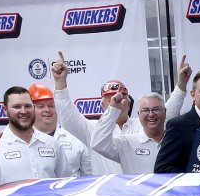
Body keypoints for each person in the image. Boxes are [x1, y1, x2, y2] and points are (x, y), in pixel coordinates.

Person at [51, 51, 188, 174]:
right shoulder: (93, 129)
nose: (116, 101)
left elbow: (166, 111)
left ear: (129, 103)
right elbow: (67, 117)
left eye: (121, 98)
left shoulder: (145, 124)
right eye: (111, 99)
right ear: (103, 104)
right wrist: (60, 82)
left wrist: (181, 83)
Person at [0, 86, 71, 193]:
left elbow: (66, 184)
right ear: (5, 109)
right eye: (17, 107)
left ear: (33, 107)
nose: (23, 111)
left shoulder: (52, 143)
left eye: (27, 106)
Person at [90, 91, 166, 173]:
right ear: (138, 115)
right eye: (145, 110)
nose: (151, 114)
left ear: (165, 112)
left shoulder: (176, 139)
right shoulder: (127, 143)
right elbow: (98, 144)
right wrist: (113, 110)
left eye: (156, 109)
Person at [28, 83, 92, 177]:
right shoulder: (24, 141)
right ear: (30, 109)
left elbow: (89, 177)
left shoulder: (76, 139)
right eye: (41, 106)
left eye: (51, 106)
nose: (47, 110)